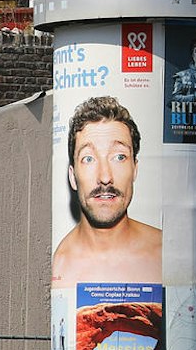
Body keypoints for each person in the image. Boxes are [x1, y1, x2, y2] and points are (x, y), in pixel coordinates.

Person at [51, 96, 163, 287]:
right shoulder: (61, 263)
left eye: (119, 157)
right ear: (72, 176)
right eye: (88, 159)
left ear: (135, 169)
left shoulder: (166, 252)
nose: (104, 177)